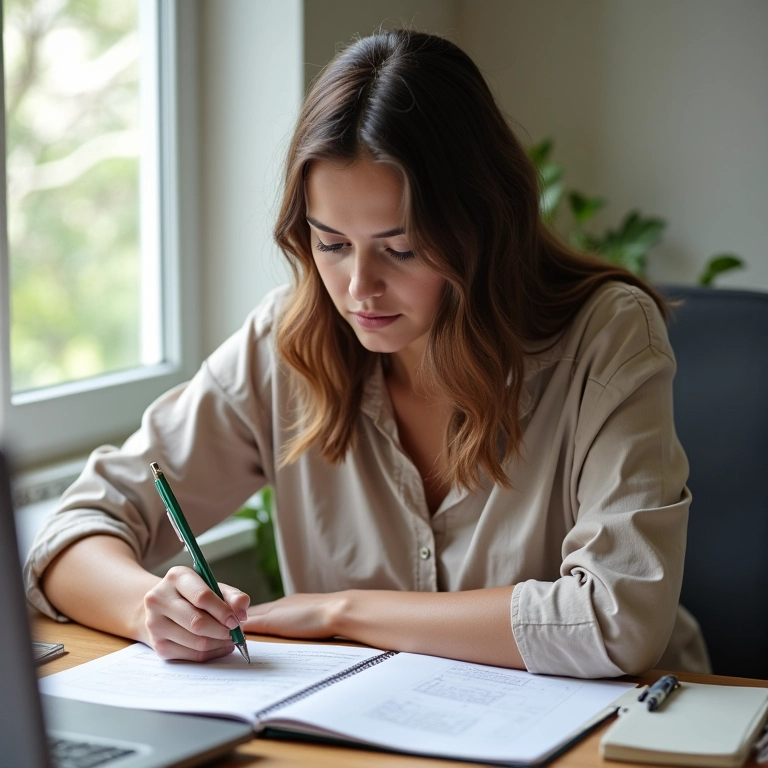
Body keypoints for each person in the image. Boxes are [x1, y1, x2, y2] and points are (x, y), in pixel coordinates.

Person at [24, 29, 709, 678]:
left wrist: (341, 612)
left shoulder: (606, 337)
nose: (358, 288)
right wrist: (148, 610)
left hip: (622, 729)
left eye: (400, 249)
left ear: (480, 226)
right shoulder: (286, 344)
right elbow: (73, 532)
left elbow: (618, 616)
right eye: (330, 243)